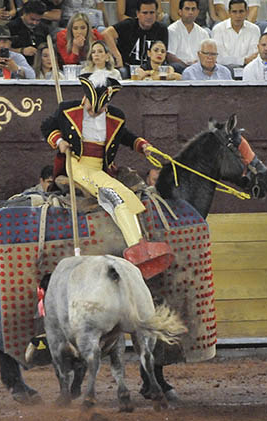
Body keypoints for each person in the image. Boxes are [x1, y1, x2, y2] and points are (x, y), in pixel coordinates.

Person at [40, 71, 174, 279]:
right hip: (76, 165)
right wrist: (59, 141)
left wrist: (143, 146)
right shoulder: (67, 109)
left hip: (100, 169)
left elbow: (126, 136)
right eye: (92, 108)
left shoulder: (116, 116)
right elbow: (47, 125)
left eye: (100, 108)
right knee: (115, 197)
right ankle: (136, 247)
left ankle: (140, 243)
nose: (95, 112)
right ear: (85, 98)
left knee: (125, 195)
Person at [102, 0, 168, 76]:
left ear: (156, 13)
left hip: (152, 68)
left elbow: (163, 55)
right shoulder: (128, 24)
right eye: (145, 13)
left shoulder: (162, 29)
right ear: (138, 14)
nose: (149, 16)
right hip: (128, 67)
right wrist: (117, 55)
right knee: (121, 72)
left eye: (152, 13)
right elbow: (106, 33)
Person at [211, 0, 260, 72]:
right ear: (229, 13)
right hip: (224, 70)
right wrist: (243, 60)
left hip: (248, 68)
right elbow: (219, 58)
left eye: (241, 11)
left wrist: (234, 60)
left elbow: (254, 55)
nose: (238, 15)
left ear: (247, 12)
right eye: (234, 12)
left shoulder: (254, 29)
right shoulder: (218, 29)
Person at [166, 0, 210, 72]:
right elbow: (170, 56)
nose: (190, 12)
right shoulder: (172, 30)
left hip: (199, 69)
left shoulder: (203, 33)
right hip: (179, 68)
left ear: (197, 12)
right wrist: (187, 67)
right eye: (187, 9)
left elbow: (207, 55)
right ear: (180, 12)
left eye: (193, 9)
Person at [7, 0, 48, 66]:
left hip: (39, 66)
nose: (35, 23)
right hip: (17, 65)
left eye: (38, 20)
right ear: (24, 13)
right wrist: (21, 51)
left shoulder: (44, 28)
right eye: (32, 19)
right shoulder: (10, 27)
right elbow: (2, 50)